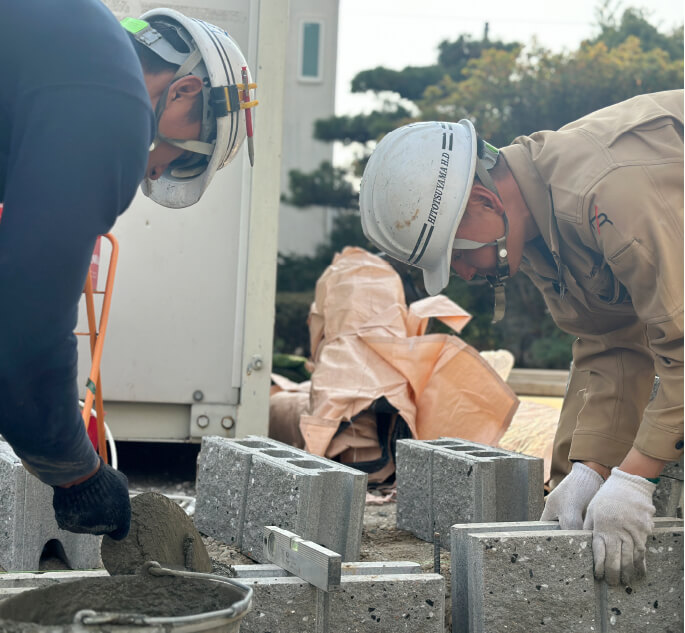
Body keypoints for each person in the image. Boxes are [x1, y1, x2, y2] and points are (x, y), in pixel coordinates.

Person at [358, 90, 683, 586]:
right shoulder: (535, 228)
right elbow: (611, 341)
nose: (465, 272)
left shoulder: (605, 193)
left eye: (458, 254)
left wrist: (637, 476)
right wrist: (590, 469)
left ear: (485, 201)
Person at [0, 1, 254, 540]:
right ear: (183, 92)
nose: (153, 170)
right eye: (181, 155)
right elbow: (26, 331)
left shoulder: (61, 44)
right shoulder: (112, 97)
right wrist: (76, 471)